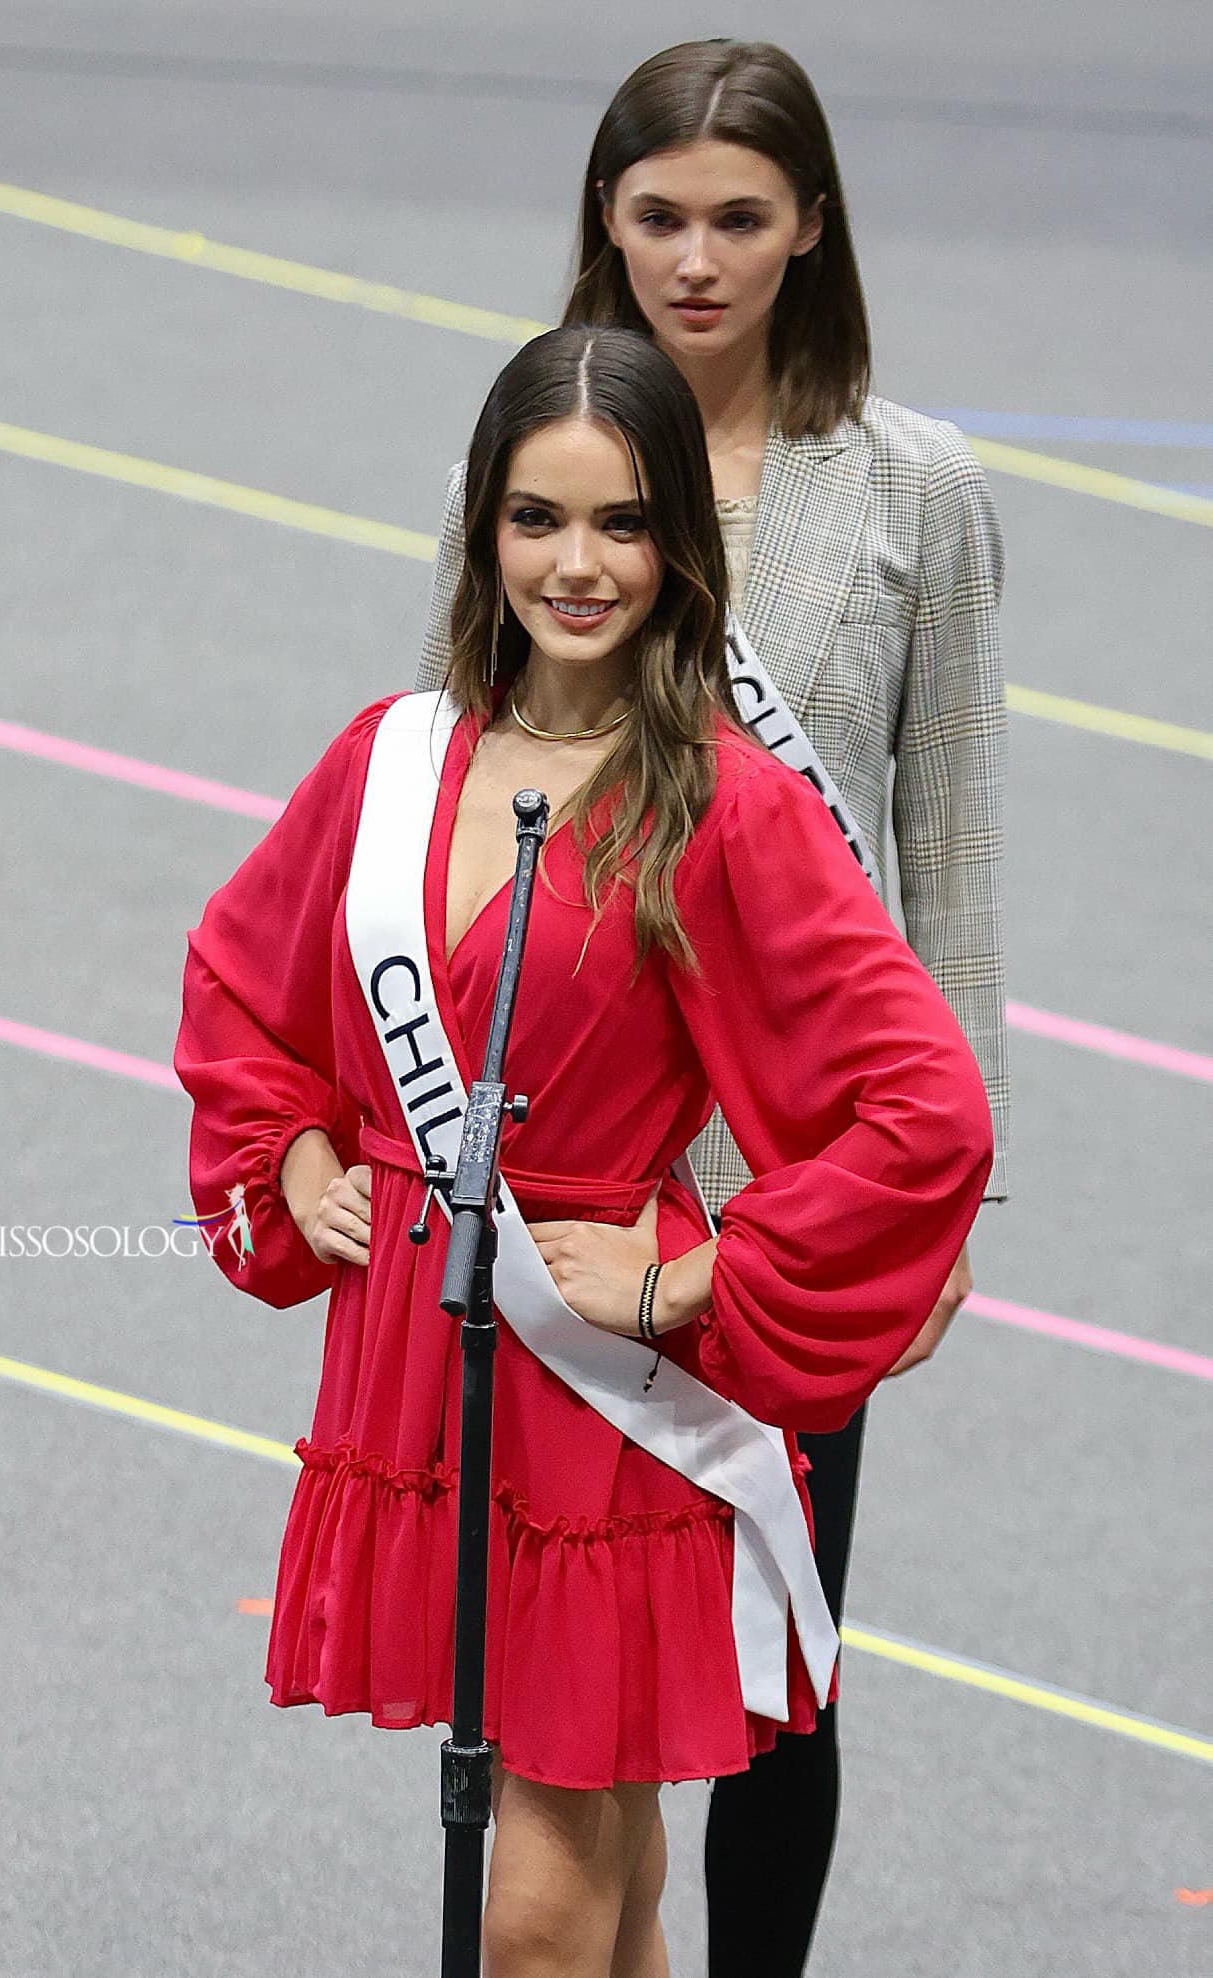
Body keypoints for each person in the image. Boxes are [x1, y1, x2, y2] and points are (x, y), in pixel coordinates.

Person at [177, 324, 992, 1978]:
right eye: (537, 518)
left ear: (677, 543)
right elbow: (239, 986)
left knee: (537, 1918)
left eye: (622, 523)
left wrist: (692, 1270)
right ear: (482, 529)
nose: (578, 564)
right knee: (606, 1881)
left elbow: (925, 1107)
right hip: (422, 1360)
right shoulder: (389, 760)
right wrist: (293, 1155)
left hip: (595, 1402)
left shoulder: (724, 804)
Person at [414, 40, 1008, 1973]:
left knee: (772, 1654)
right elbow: (460, 781)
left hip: (788, 1183)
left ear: (810, 228)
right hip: (577, 1159)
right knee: (575, 1685)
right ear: (604, 215)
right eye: (656, 215)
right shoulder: (536, 450)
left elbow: (947, 842)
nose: (695, 259)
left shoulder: (915, 488)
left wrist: (941, 1209)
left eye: (739, 219)